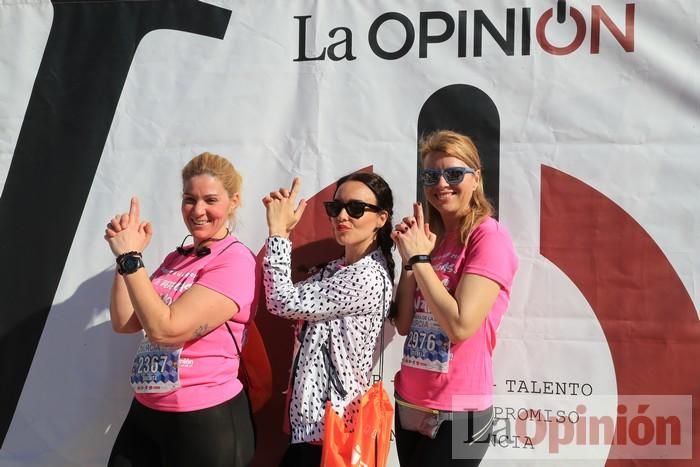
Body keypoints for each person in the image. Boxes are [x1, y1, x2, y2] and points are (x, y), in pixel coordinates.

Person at [105, 152, 256, 467]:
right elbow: (125, 322)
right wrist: (125, 260)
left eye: (210, 199)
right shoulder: (178, 257)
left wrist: (132, 257)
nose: (198, 211)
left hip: (203, 419)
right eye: (190, 199)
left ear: (234, 201)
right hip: (147, 411)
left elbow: (165, 330)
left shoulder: (234, 260)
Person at [391, 130, 518, 466]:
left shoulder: (488, 237)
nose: (442, 183)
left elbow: (460, 325)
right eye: (432, 175)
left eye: (454, 173)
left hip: (460, 413)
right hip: (409, 402)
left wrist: (420, 261)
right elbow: (404, 324)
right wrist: (409, 261)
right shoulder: (431, 238)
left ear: (476, 179)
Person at [262, 173, 395, 467]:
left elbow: (281, 301)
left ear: (381, 218)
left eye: (356, 209)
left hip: (329, 431)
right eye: (336, 208)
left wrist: (279, 234)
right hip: (316, 427)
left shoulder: (365, 276)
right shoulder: (339, 268)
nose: (342, 216)